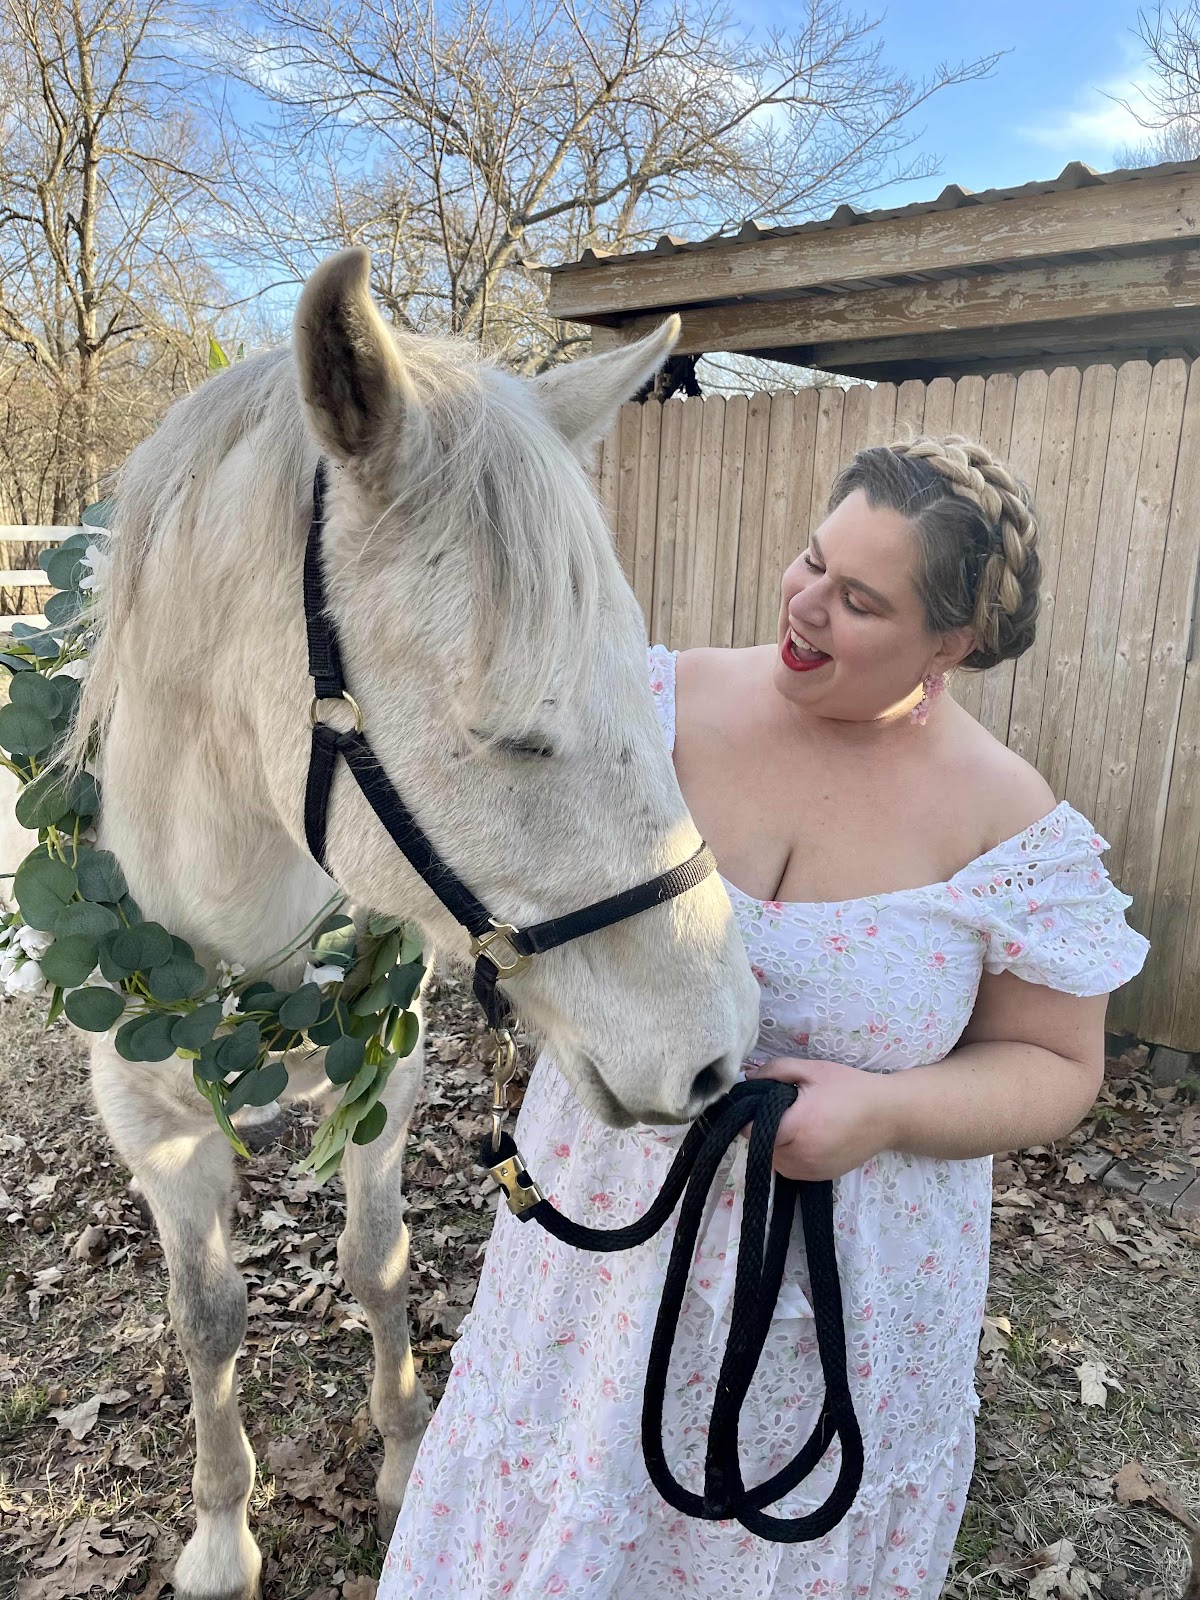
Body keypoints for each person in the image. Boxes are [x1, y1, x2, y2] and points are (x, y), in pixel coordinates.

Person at [377, 435, 1148, 1600]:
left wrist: (888, 1112)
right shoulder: (645, 706)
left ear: (953, 645)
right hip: (605, 1255)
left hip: (845, 1288)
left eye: (862, 600)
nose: (807, 603)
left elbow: (1054, 1062)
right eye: (812, 560)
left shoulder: (1009, 821)